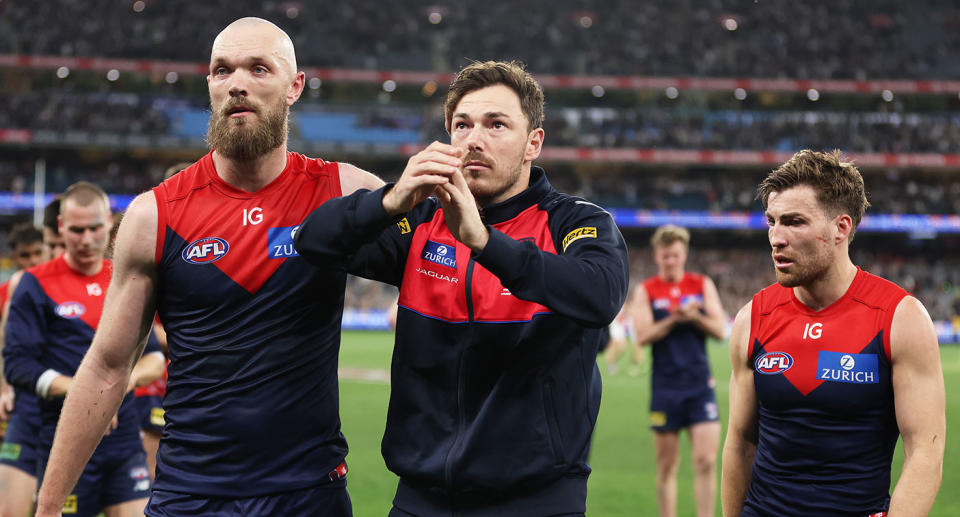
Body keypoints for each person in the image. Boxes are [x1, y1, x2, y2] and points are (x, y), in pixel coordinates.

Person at [29, 17, 383, 517]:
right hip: (190, 495)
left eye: (259, 69)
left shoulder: (344, 193)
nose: (237, 83)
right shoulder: (155, 215)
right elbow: (107, 367)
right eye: (222, 70)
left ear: (295, 86)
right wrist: (47, 507)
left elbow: (444, 273)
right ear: (210, 84)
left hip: (309, 494)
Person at [295, 60, 630, 516]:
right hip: (420, 499)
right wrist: (389, 200)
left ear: (534, 143)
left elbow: (600, 293)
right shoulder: (421, 223)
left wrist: (485, 242)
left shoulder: (577, 221)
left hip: (538, 502)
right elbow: (313, 241)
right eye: (462, 125)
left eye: (496, 124)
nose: (475, 138)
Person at [721, 150, 946, 516]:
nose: (776, 238)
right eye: (771, 222)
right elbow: (741, 443)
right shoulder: (754, 317)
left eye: (794, 222)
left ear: (840, 228)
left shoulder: (899, 318)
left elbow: (925, 450)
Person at [3, 182, 165, 517]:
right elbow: (18, 366)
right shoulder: (34, 283)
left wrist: (120, 386)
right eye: (77, 230)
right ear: (61, 228)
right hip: (62, 436)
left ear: (109, 222)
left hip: (122, 440)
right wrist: (86, 394)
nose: (87, 239)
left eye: (94, 228)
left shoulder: (124, 279)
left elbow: (152, 357)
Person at [631, 224, 726, 517]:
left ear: (683, 254)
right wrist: (673, 318)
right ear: (657, 256)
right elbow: (643, 335)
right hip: (665, 388)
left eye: (674, 255)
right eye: (664, 256)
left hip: (700, 385)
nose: (670, 261)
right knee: (667, 466)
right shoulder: (646, 290)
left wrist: (695, 316)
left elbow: (720, 330)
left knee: (707, 461)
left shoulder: (701, 284)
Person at [0, 222, 46, 517]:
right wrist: (3, 389)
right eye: (24, 256)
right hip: (18, 397)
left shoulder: (57, 285)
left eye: (37, 253)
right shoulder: (7, 290)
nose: (31, 261)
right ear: (14, 257)